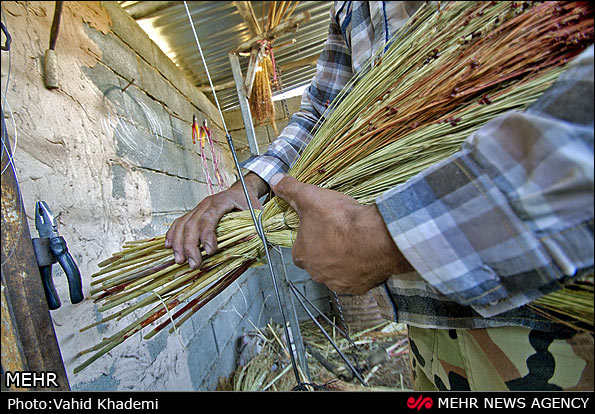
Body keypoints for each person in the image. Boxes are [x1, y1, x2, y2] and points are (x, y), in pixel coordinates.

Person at [166, 2, 594, 390]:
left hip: (543, 311)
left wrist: (383, 238)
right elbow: (323, 112)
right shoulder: (350, 7)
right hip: (427, 319)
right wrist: (250, 184)